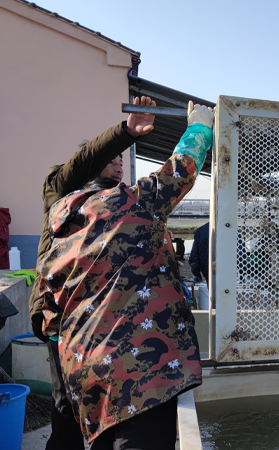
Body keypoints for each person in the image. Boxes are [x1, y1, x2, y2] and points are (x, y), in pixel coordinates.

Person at [35, 101, 214, 448]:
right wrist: (200, 126)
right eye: (113, 160)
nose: (119, 165)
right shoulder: (132, 203)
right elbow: (180, 169)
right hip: (140, 373)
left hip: (85, 373)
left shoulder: (58, 227)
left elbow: (49, 314)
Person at [25, 96, 156, 450]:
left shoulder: (120, 202)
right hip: (61, 317)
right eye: (111, 159)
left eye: (121, 161)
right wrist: (126, 133)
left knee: (104, 401)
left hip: (102, 319)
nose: (118, 165)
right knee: (65, 406)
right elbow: (84, 160)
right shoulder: (60, 190)